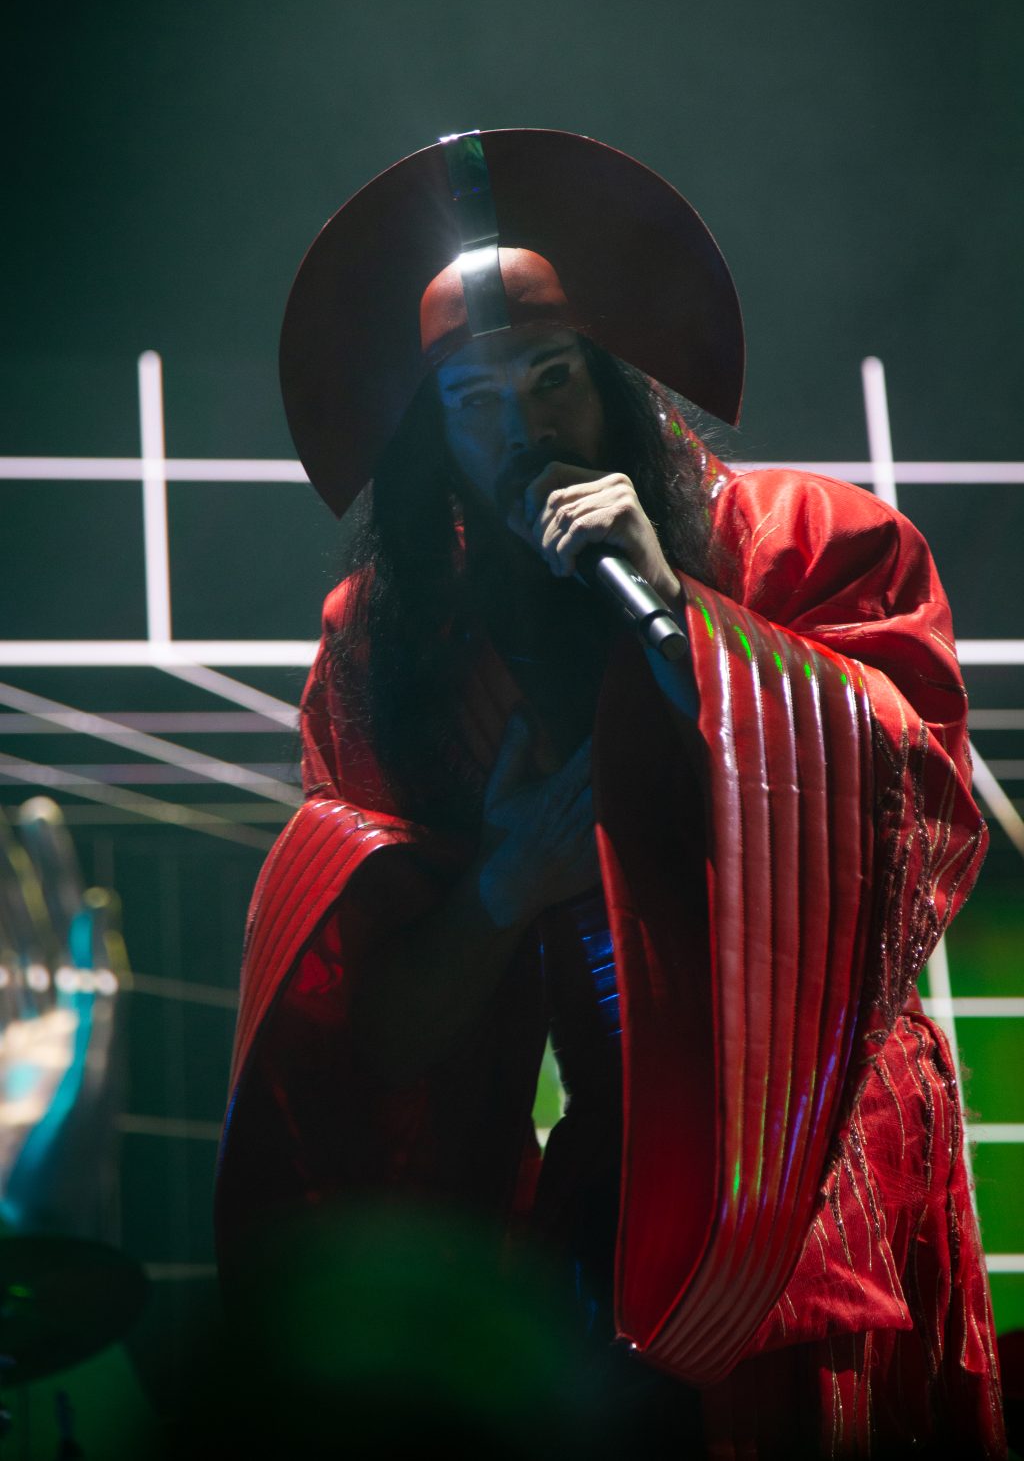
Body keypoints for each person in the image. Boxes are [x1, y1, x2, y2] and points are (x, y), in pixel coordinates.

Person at [215, 130, 1006, 1457]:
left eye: (553, 378)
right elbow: (370, 1033)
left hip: (832, 1164)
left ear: (621, 386)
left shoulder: (819, 545)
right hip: (612, 1176)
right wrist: (508, 883)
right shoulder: (391, 653)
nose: (521, 427)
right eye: (470, 397)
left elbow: (917, 824)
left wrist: (681, 624)